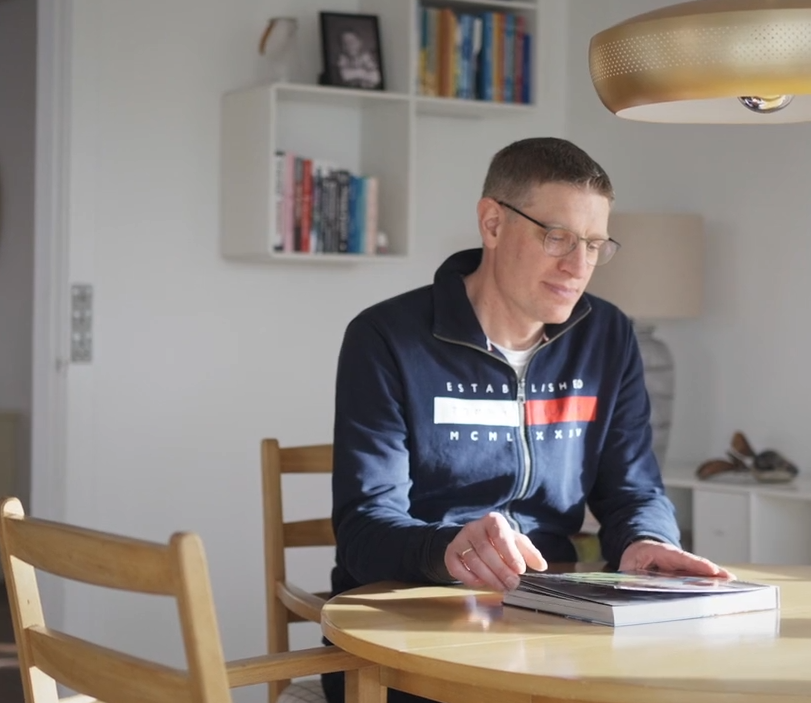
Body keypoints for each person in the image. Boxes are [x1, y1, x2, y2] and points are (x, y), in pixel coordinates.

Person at [322, 137, 731, 703]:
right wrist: (450, 548)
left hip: (551, 624)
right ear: (492, 223)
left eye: (594, 244)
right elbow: (364, 530)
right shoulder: (387, 338)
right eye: (557, 237)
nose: (578, 267)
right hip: (408, 634)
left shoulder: (608, 337)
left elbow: (634, 489)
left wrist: (646, 540)